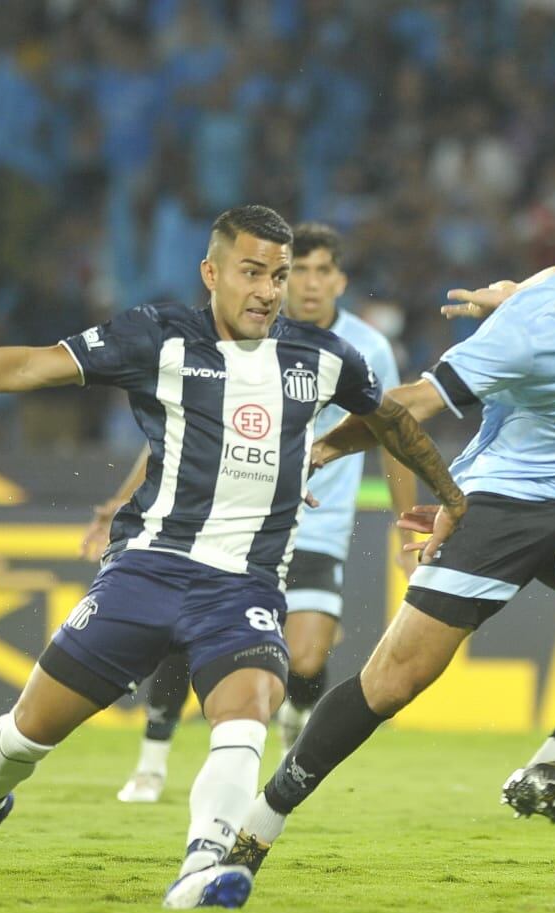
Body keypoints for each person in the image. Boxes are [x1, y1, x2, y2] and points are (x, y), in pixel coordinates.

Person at [0, 205, 465, 909]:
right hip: (147, 571)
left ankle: (203, 863)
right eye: (252, 272)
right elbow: (30, 367)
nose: (267, 290)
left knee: (250, 705)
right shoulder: (156, 336)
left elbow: (393, 421)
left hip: (245, 587)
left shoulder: (319, 358)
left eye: (278, 276)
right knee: (24, 738)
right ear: (213, 272)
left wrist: (449, 497)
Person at [218, 188, 555, 878]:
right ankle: (260, 821)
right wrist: (322, 449)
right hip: (502, 501)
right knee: (394, 681)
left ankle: (549, 764)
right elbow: (410, 404)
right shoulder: (529, 332)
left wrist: (515, 285)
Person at [89, 222, 420, 804]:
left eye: (323, 272)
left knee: (311, 653)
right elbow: (179, 429)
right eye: (301, 273)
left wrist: (406, 523)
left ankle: (295, 717)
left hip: (319, 526)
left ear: (340, 280)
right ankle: (152, 758)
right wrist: (121, 497)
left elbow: (392, 435)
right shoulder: (244, 338)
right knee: (180, 634)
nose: (310, 285)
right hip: (231, 518)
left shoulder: (365, 351)